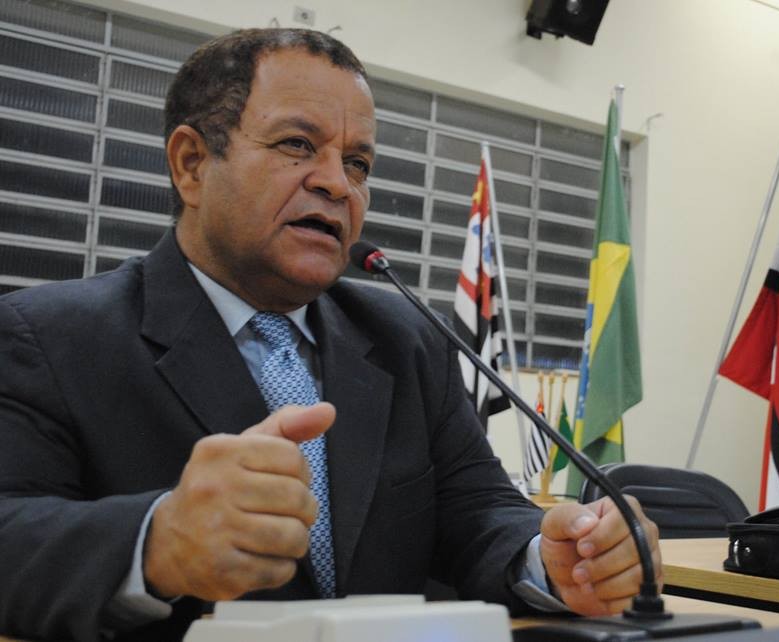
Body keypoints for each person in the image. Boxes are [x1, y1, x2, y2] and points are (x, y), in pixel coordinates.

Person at [0, 28, 660, 642]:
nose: (337, 184)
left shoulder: (406, 337)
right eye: (296, 144)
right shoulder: (49, 336)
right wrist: (157, 543)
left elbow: (477, 511)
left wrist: (551, 556)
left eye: (358, 162)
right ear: (192, 163)